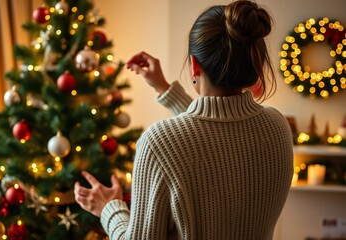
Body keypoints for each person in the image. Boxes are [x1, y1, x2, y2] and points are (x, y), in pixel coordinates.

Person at [74, 0, 293, 239]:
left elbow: (201, 138)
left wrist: (109, 208)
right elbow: (217, 133)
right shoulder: (277, 126)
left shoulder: (158, 142)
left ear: (194, 65)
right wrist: (164, 88)